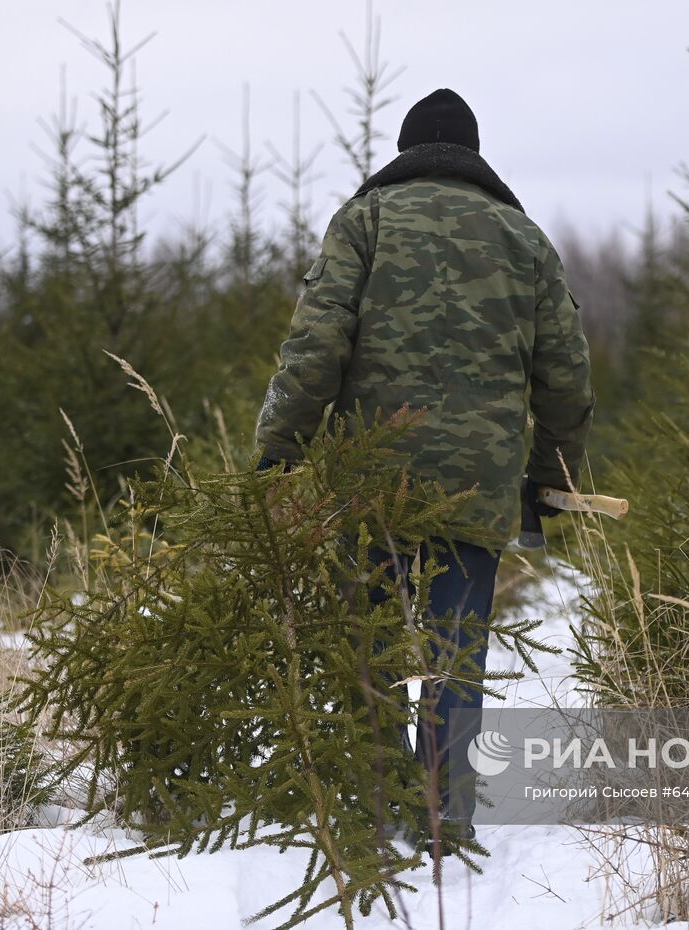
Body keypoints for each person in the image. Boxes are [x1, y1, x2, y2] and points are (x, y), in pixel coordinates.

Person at [254, 87, 594, 842]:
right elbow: (566, 378)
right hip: (478, 484)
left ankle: (372, 811)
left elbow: (316, 345)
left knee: (365, 641)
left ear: (406, 153)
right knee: (453, 648)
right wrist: (551, 479)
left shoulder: (367, 219)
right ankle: (446, 812)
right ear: (474, 159)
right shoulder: (524, 239)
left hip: (370, 476)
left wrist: (279, 451)